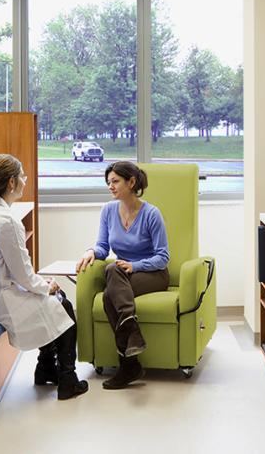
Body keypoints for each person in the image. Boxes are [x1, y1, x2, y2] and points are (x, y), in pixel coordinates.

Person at [0, 154, 88, 400]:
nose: (25, 181)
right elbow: (24, 275)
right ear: (11, 183)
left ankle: (45, 369)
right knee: (63, 306)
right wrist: (47, 286)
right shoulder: (7, 221)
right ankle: (67, 379)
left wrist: (41, 286)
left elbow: (20, 273)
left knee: (54, 304)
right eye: (22, 177)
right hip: (2, 298)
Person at [77, 161, 170, 390]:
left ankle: (129, 364)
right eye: (109, 182)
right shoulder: (108, 210)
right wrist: (90, 251)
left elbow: (163, 256)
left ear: (132, 182)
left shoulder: (151, 214)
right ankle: (130, 353)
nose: (111, 186)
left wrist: (134, 265)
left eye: (115, 181)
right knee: (110, 287)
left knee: (111, 281)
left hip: (153, 274)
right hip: (123, 275)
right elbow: (102, 246)